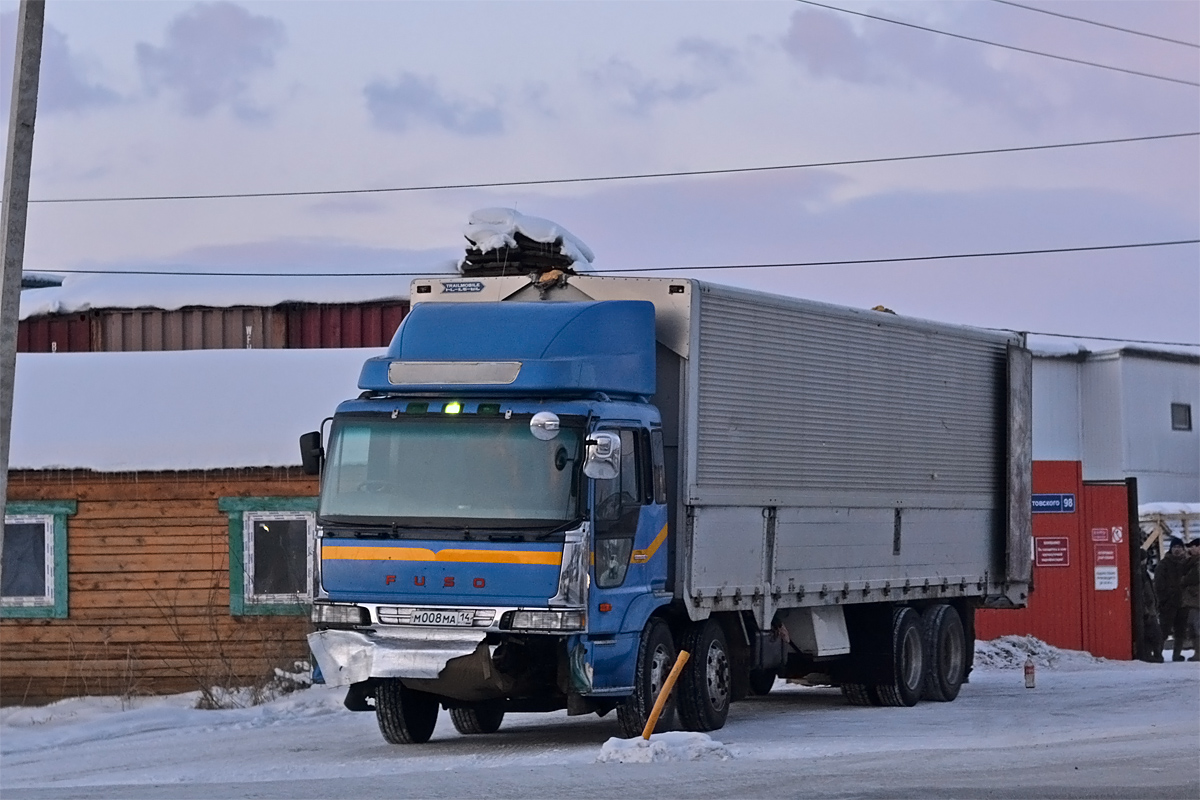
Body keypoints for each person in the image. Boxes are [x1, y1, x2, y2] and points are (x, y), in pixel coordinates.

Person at [1155, 537, 1190, 661]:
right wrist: (1165, 599)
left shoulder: (1187, 564)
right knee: (1164, 630)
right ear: (1170, 549)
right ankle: (1158, 653)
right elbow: (1158, 584)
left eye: (1179, 547)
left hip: (1183, 603)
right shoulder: (1164, 564)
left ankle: (1177, 654)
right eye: (1175, 547)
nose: (1177, 550)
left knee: (1180, 631)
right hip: (1168, 603)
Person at [1182, 539, 1200, 662]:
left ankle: (1199, 652)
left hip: (1197, 600)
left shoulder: (1197, 564)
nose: (1190, 549)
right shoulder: (1191, 562)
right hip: (1192, 600)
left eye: (1193, 546)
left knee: (1196, 626)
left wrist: (1184, 580)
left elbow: (1191, 578)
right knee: (1192, 626)